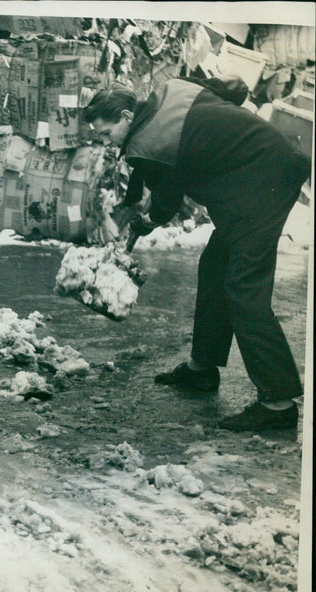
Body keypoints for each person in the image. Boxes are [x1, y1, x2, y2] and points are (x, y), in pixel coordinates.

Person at [83, 77, 311, 432]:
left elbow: (167, 200)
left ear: (127, 116)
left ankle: (277, 402)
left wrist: (144, 224)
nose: (105, 141)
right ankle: (202, 369)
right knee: (215, 267)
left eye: (106, 132)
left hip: (265, 179)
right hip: (257, 170)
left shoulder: (147, 143)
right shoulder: (171, 89)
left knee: (243, 287)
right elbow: (232, 88)